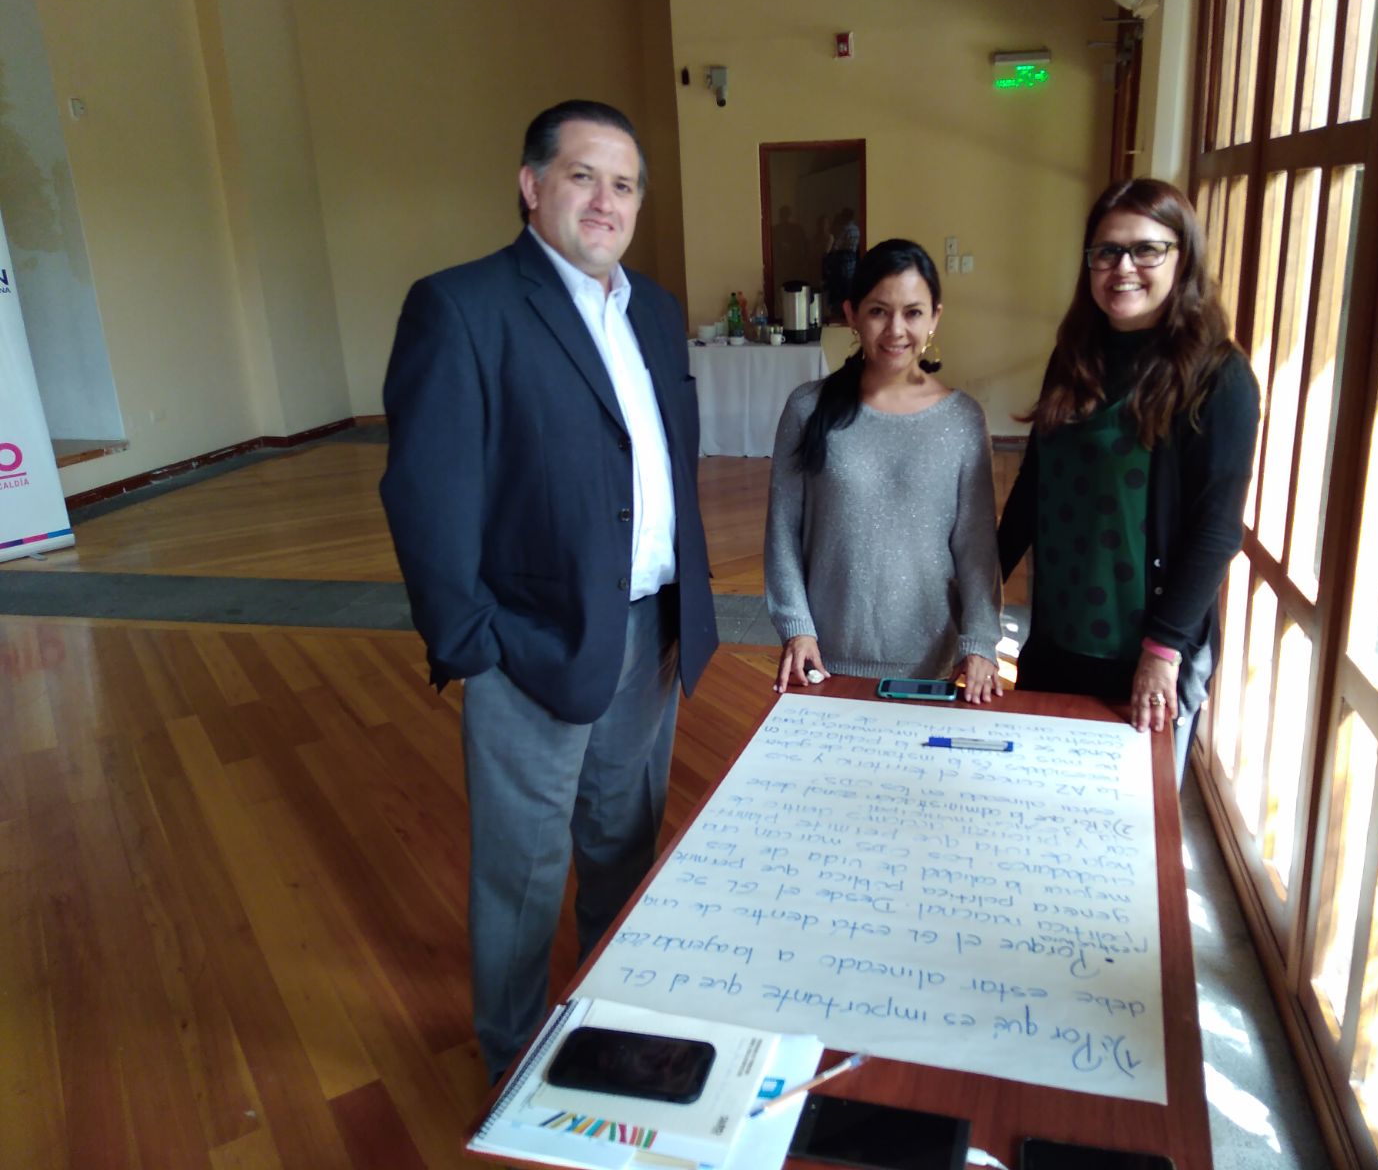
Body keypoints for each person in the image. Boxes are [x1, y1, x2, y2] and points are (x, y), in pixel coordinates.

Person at [379, 100, 717, 1083]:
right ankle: (514, 1062)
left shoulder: (655, 310)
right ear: (531, 187)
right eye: (582, 176)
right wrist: (473, 644)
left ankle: (610, 1020)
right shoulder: (462, 306)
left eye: (625, 184)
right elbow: (426, 492)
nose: (606, 201)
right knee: (522, 872)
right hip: (531, 640)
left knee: (624, 844)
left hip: (649, 631)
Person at [997, 178, 1259, 783]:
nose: (1123, 268)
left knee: (1129, 808)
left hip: (1147, 648)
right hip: (1058, 634)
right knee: (1039, 790)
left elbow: (1216, 531)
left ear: (1182, 257)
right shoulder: (1074, 356)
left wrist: (1162, 651)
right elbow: (1035, 485)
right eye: (1107, 251)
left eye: (1147, 250)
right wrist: (984, 585)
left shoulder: (1218, 376)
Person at [765, 238, 1003, 703]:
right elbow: (783, 531)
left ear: (935, 317)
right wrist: (796, 626)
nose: (896, 330)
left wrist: (980, 641)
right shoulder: (808, 409)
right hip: (822, 656)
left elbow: (976, 546)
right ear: (852, 315)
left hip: (932, 660)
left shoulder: (962, 420)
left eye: (913, 313)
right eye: (878, 311)